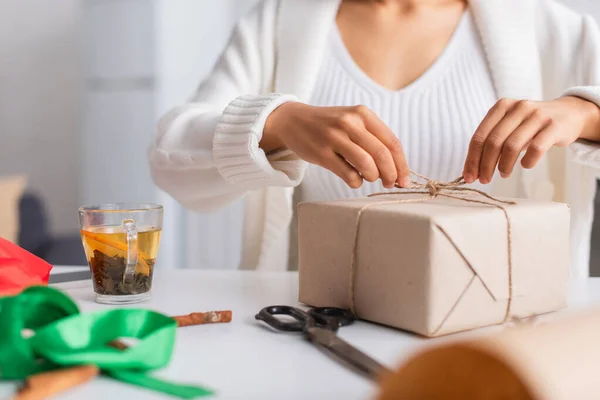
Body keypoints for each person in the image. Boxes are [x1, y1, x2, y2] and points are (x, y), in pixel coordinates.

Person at [148, 0, 600, 277]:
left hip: (501, 323)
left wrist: (583, 113)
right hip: (328, 324)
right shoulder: (281, 21)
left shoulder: (548, 26)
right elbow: (169, 158)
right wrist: (277, 122)